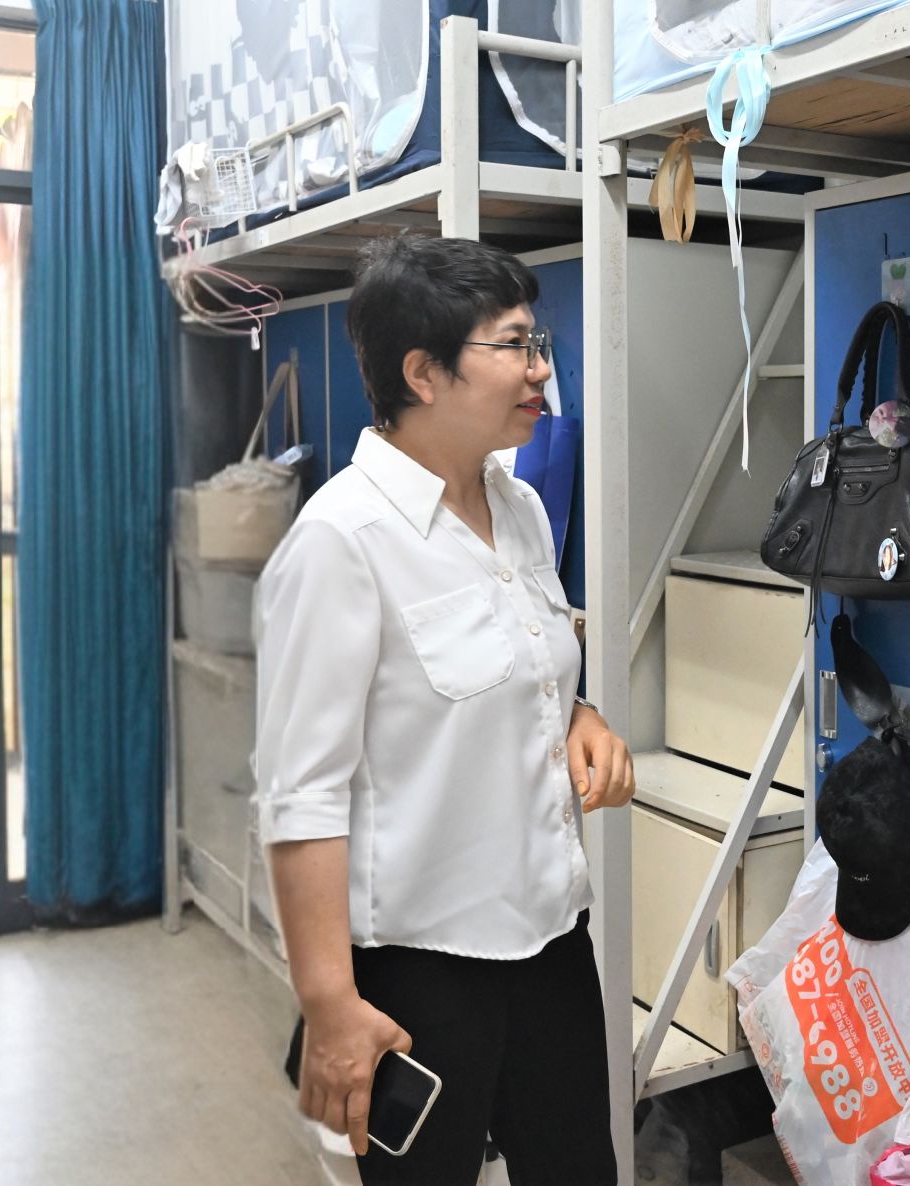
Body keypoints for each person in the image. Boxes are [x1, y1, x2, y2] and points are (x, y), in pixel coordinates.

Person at [254, 236, 631, 1185]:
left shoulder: (521, 507)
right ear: (423, 374)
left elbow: (520, 662)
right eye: (514, 345)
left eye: (538, 342)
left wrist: (578, 715)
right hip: (422, 971)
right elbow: (300, 796)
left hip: (552, 939)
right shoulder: (342, 541)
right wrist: (330, 1005)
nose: (540, 368)